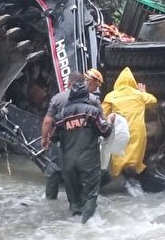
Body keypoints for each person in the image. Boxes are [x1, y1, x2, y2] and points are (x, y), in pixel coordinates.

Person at [55, 77, 113, 222]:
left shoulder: (61, 115)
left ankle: (75, 223)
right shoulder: (92, 111)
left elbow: (54, 137)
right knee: (90, 195)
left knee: (74, 199)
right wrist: (111, 121)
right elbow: (105, 131)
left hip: (68, 161)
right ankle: (87, 226)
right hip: (88, 161)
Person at [40, 69, 103, 199]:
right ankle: (84, 204)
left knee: (55, 169)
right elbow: (103, 122)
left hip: (62, 142)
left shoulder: (58, 98)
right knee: (84, 172)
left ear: (69, 83)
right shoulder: (93, 99)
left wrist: (44, 138)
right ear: (83, 83)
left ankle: (51, 199)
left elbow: (47, 121)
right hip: (86, 144)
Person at [102, 67, 157, 178]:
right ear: (133, 82)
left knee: (119, 154)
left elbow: (103, 113)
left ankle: (119, 176)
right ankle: (134, 174)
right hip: (137, 131)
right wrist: (143, 92)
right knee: (135, 155)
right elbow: (153, 101)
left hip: (120, 131)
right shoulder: (139, 95)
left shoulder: (111, 96)